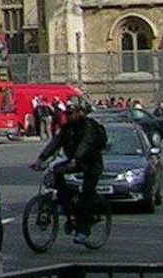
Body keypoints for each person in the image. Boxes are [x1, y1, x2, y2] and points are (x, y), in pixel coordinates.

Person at [34, 99, 108, 242]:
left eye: (72, 113)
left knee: (87, 194)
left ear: (81, 112)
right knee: (56, 172)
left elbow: (86, 143)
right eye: (67, 113)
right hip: (75, 161)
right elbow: (55, 142)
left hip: (92, 163)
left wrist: (76, 159)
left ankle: (83, 230)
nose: (69, 116)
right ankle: (68, 199)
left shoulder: (89, 127)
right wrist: (41, 159)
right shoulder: (68, 128)